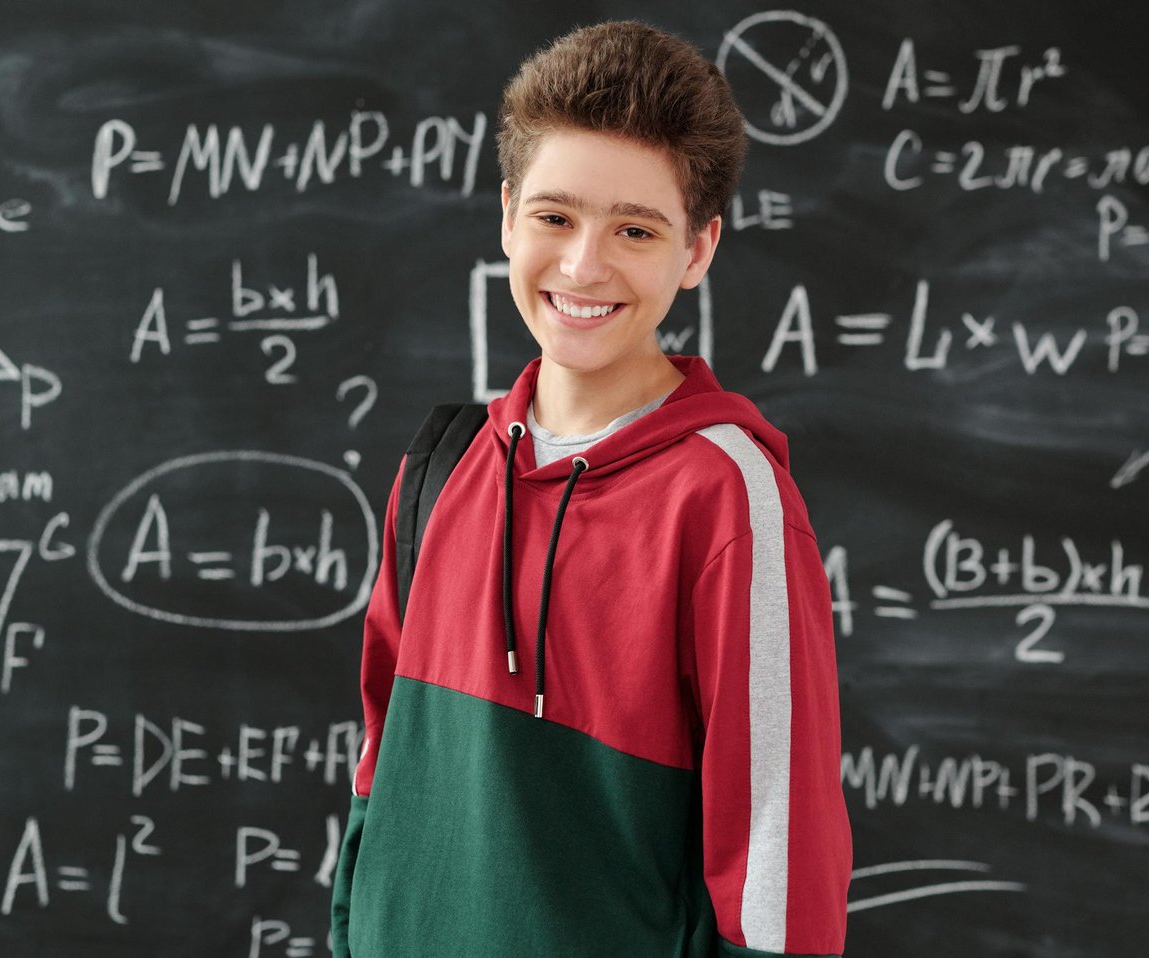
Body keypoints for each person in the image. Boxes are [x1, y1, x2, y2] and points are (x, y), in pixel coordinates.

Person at [331, 20, 851, 957]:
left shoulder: (728, 501)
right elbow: (380, 763)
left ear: (696, 251)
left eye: (636, 230)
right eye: (555, 217)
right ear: (505, 216)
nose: (583, 267)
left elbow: (782, 851)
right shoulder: (440, 468)